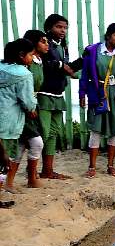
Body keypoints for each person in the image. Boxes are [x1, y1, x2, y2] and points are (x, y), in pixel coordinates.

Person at [79, 23, 115, 177]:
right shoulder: (93, 51)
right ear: (108, 36)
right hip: (98, 93)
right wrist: (82, 94)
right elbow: (85, 74)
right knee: (96, 129)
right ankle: (92, 167)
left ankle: (110, 165)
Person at [38, 14, 81, 180]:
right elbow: (48, 66)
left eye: (65, 27)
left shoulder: (62, 46)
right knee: (43, 132)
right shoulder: (44, 45)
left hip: (57, 94)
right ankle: (32, 170)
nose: (62, 30)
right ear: (49, 27)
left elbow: (67, 68)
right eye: (59, 27)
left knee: (53, 133)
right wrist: (63, 66)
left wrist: (83, 60)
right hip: (44, 94)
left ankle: (48, 170)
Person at [0, 39, 37, 197]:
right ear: (22, 56)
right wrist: (33, 107)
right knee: (3, 159)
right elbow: (28, 102)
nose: (32, 58)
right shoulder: (24, 74)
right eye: (31, 55)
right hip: (9, 123)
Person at [17, 30, 48, 189]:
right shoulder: (25, 65)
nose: (47, 44)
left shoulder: (38, 61)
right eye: (43, 41)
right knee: (35, 141)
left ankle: (30, 176)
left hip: (33, 104)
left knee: (23, 143)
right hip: (24, 107)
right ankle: (31, 178)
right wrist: (29, 106)